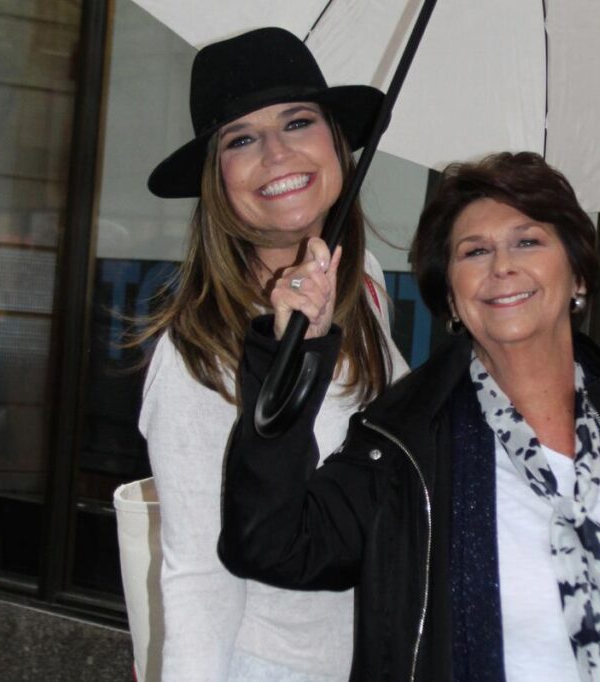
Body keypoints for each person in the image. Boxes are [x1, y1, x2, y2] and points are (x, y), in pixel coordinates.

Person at [219, 152, 600, 681]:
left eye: (527, 241)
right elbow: (271, 543)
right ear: (451, 299)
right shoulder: (406, 444)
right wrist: (292, 356)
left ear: (578, 276)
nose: (502, 266)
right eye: (474, 251)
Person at [135, 27, 408, 681]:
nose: (278, 154)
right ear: (217, 177)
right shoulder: (201, 350)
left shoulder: (364, 286)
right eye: (242, 139)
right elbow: (199, 577)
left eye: (297, 121)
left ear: (335, 141)